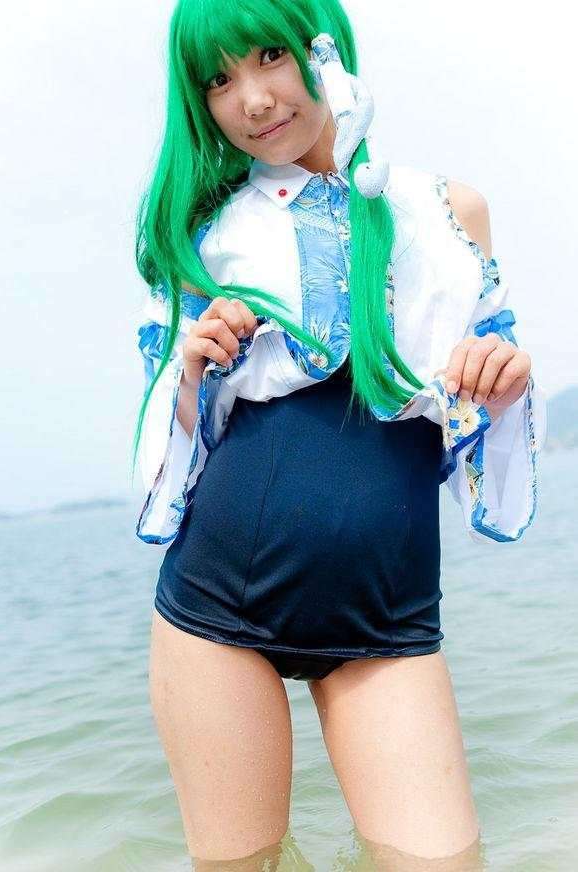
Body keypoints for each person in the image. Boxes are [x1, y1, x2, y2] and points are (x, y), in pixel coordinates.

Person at [132, 0, 547, 867]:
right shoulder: (206, 235)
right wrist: (195, 369)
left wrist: (502, 384)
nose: (252, 98)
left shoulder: (446, 210)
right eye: (218, 80)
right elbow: (175, 450)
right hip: (217, 612)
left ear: (322, 45)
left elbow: (478, 415)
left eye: (269, 55)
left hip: (387, 614)